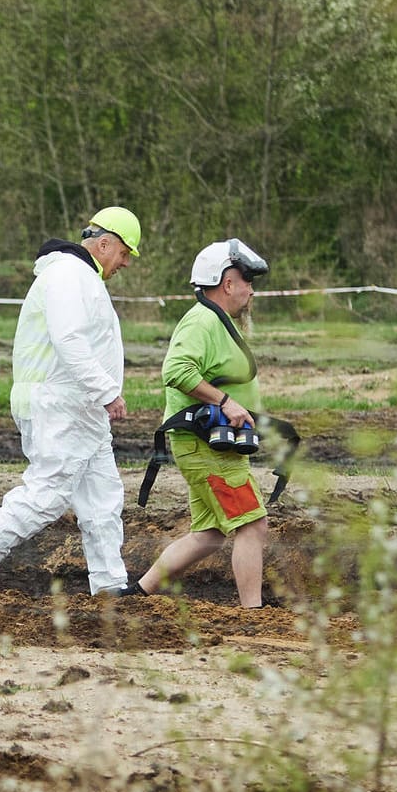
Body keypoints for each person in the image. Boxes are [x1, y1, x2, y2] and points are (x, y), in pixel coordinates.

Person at [0, 207, 140, 596]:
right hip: (60, 403)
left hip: (79, 408)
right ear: (104, 244)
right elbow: (68, 340)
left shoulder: (78, 276)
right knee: (48, 493)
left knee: (102, 497)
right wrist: (107, 391)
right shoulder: (68, 275)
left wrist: (97, 395)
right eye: (125, 253)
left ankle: (111, 585)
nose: (126, 263)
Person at [133, 239, 272, 607]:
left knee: (208, 534)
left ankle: (136, 594)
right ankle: (253, 614)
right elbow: (176, 370)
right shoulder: (202, 320)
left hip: (210, 444)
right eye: (247, 281)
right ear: (227, 284)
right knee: (251, 525)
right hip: (205, 445)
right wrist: (225, 402)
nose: (251, 289)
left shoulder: (217, 320)